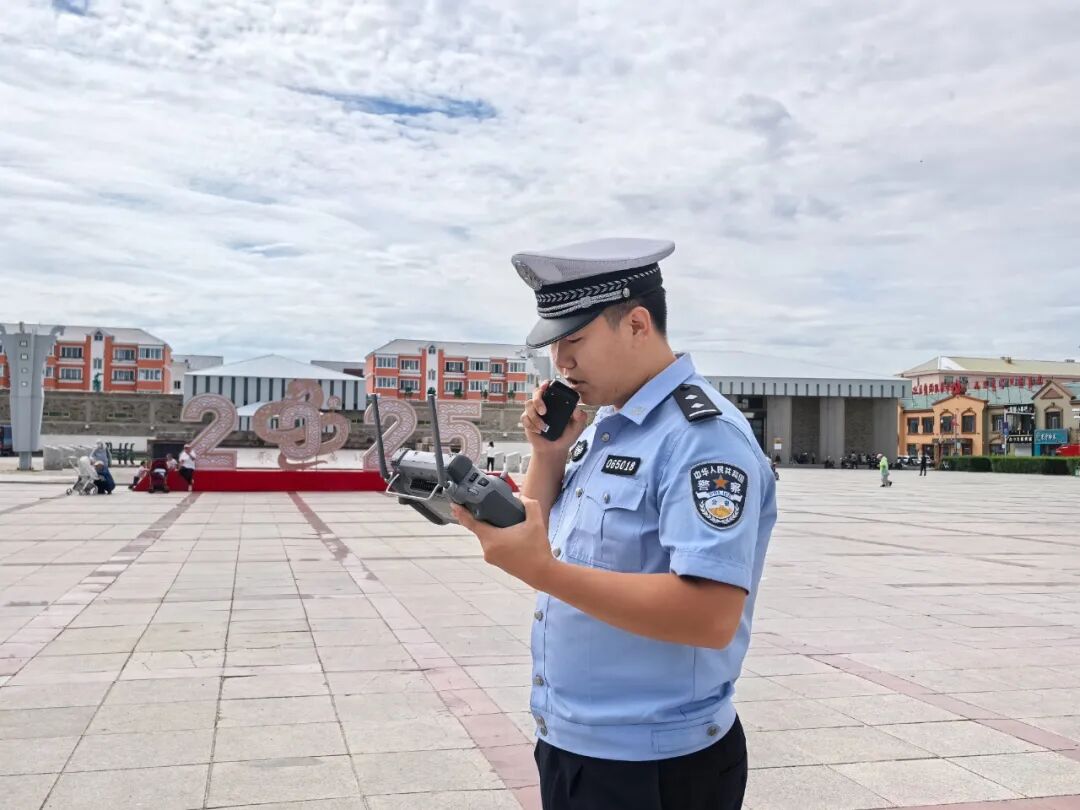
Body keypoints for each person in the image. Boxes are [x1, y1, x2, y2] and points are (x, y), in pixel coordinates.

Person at [452, 238, 776, 810]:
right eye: (555, 344)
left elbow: (710, 615)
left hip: (654, 766)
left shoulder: (700, 438)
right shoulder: (611, 426)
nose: (561, 361)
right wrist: (549, 454)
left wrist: (544, 573)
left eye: (574, 339)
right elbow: (546, 535)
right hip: (576, 741)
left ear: (637, 324)